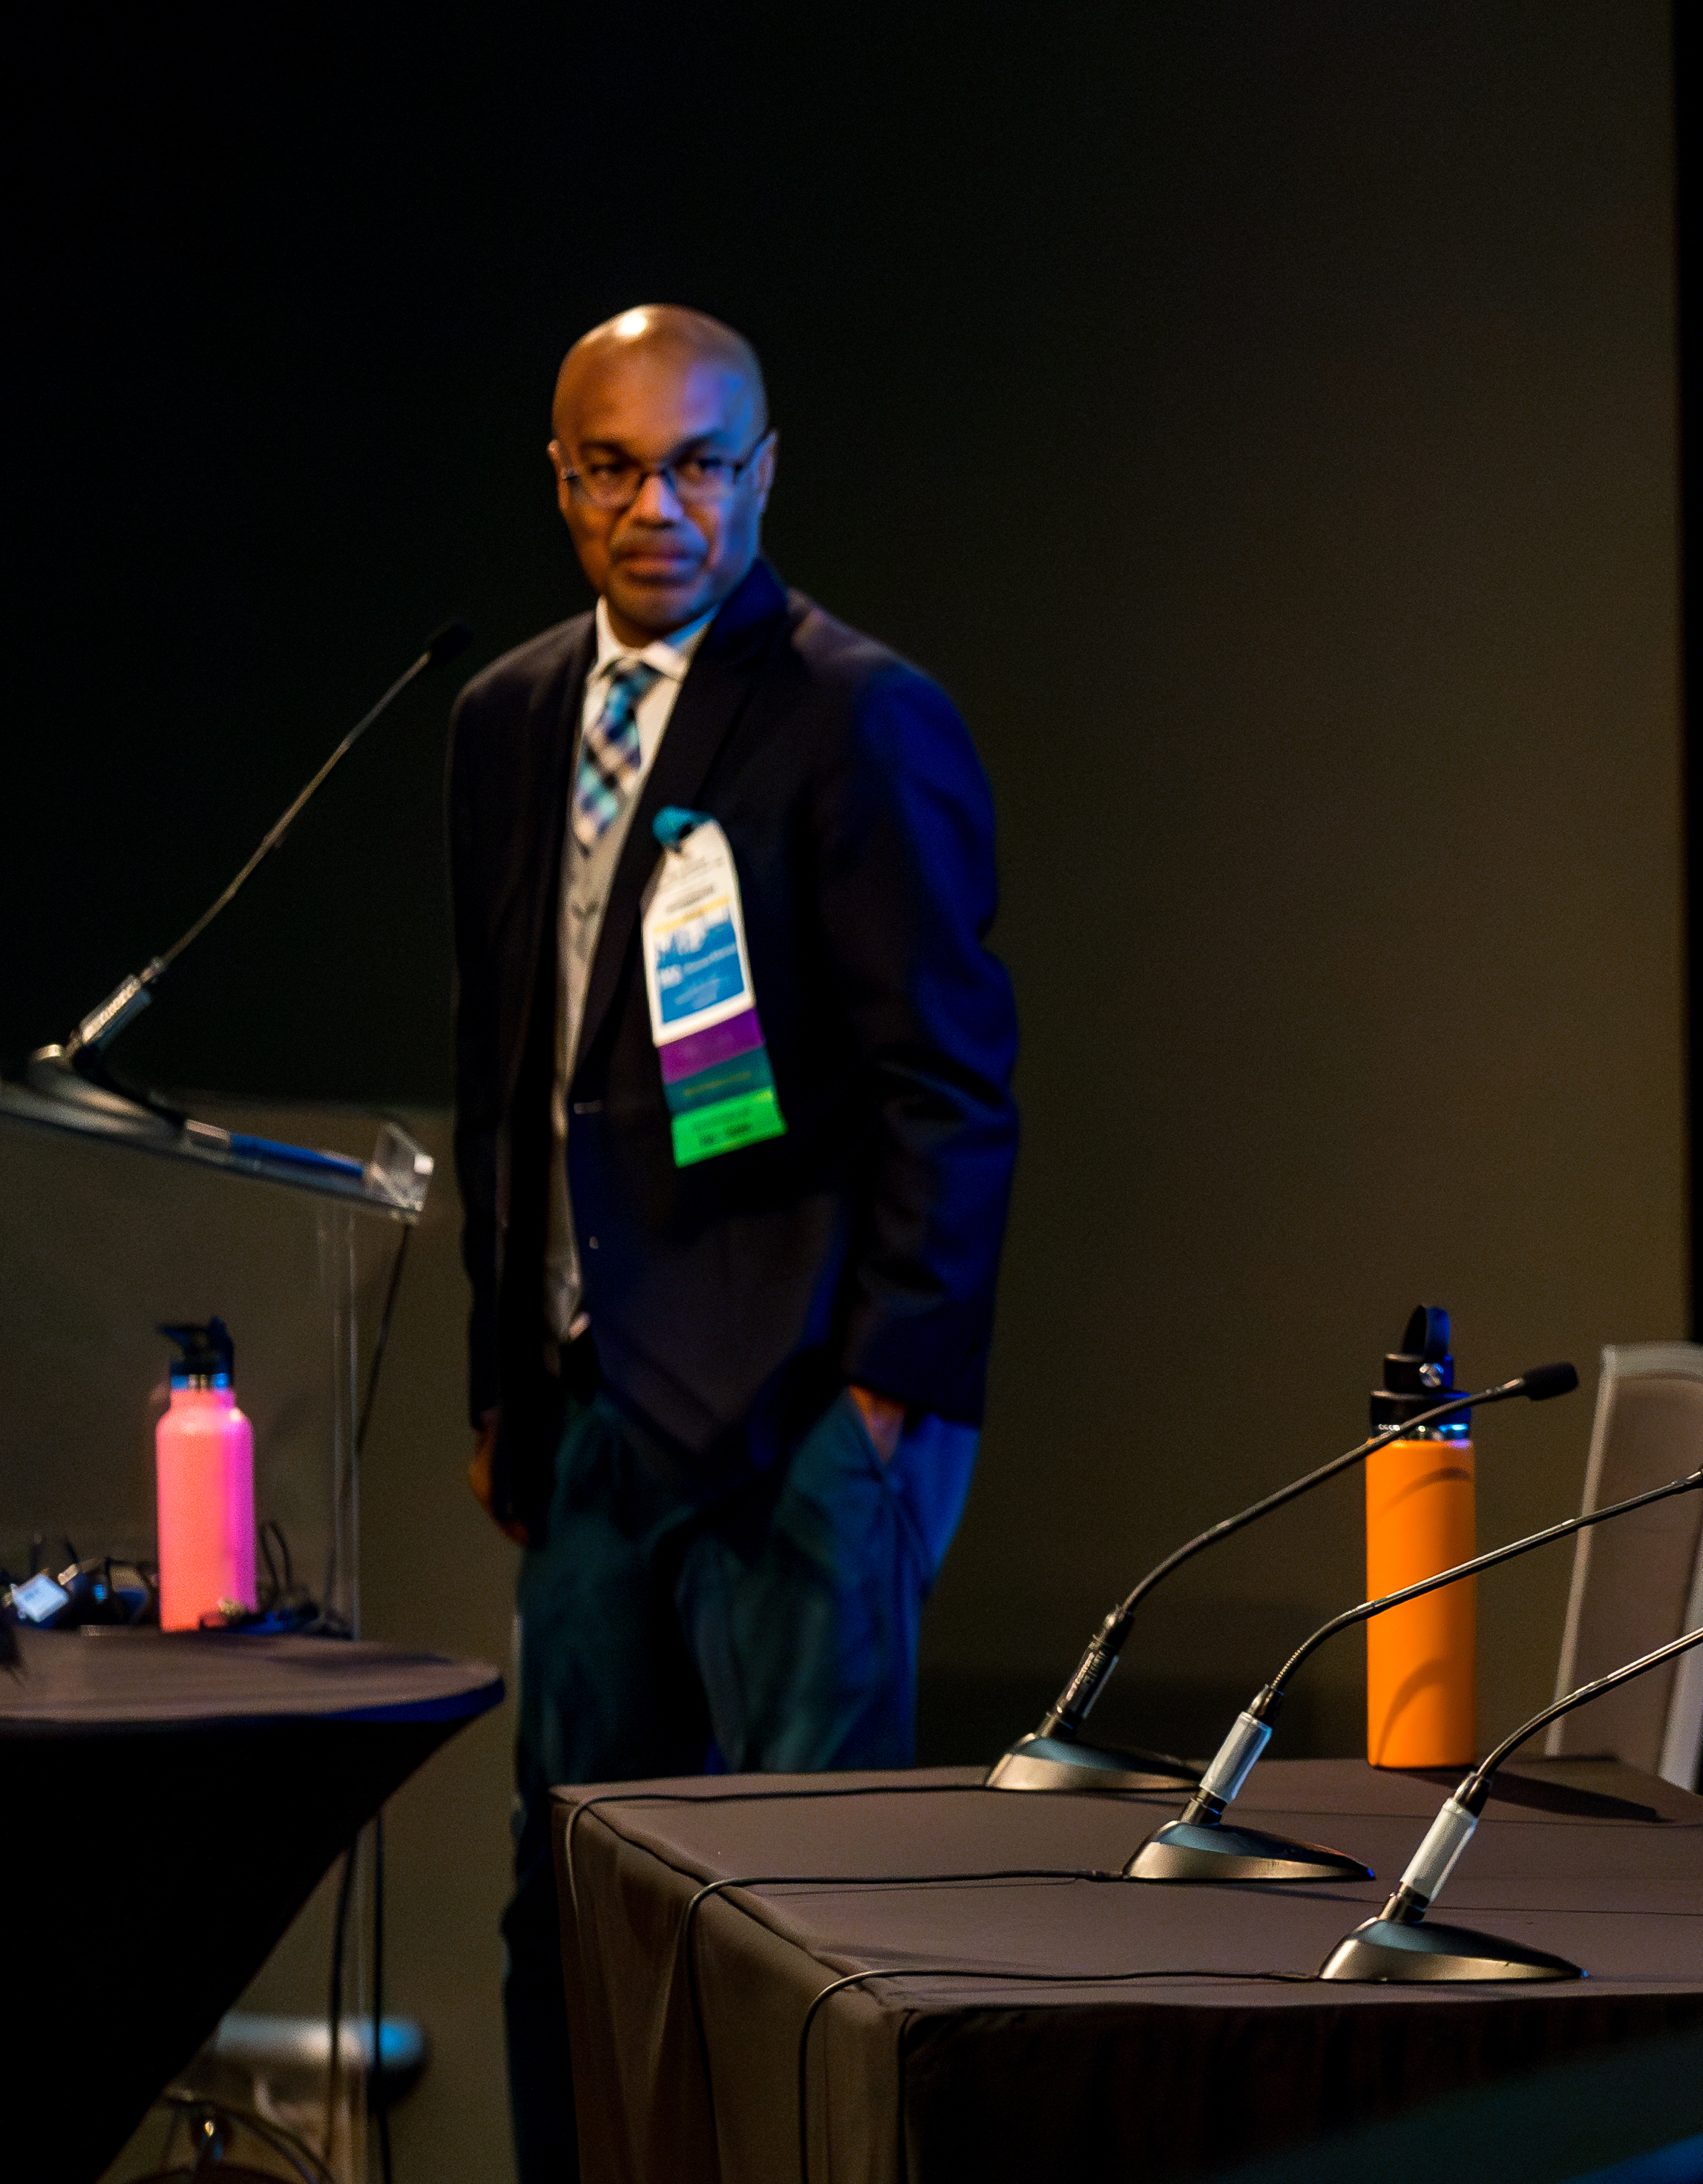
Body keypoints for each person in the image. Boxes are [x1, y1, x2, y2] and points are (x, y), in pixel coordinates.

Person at [447, 305, 1018, 2177]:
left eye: (699, 463)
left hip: (793, 1425)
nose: (658, 506)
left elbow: (948, 1079)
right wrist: (501, 1379)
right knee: (570, 1900)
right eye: (614, 465)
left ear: (765, 471)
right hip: (591, 1411)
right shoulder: (514, 715)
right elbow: (508, 1058)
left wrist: (882, 1399)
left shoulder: (859, 713)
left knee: (806, 1933)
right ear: (561, 479)